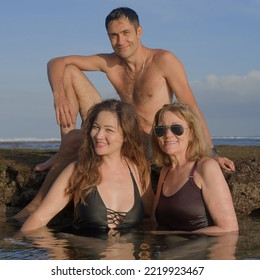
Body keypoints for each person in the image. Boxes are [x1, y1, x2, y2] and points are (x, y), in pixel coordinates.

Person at [15, 6, 234, 220]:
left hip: (150, 143)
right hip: (125, 131)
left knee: (75, 139)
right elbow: (56, 62)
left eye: (126, 33)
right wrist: (59, 96)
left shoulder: (163, 60)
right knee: (69, 71)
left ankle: (36, 205)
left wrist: (211, 153)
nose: (121, 41)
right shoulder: (111, 62)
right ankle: (65, 150)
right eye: (114, 35)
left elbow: (191, 108)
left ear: (139, 32)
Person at [20, 99, 154, 234]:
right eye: (96, 127)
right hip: (84, 250)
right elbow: (39, 219)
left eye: (109, 130)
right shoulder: (77, 171)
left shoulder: (139, 170)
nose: (99, 135)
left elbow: (152, 216)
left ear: (126, 135)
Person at [151, 103, 238, 235]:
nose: (168, 135)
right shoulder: (166, 170)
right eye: (161, 129)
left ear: (191, 133)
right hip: (168, 251)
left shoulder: (206, 167)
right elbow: (154, 221)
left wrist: (173, 235)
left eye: (176, 128)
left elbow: (229, 229)